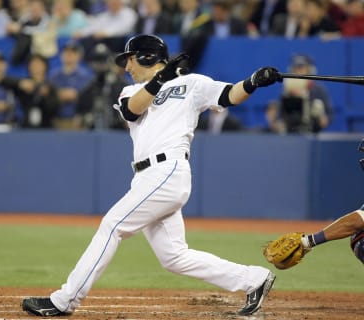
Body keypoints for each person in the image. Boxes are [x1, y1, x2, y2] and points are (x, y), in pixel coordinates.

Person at [21, 34, 283, 317]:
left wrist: (254, 82)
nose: (126, 66)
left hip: (168, 170)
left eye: (129, 59)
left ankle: (64, 301)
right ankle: (253, 279)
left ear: (146, 57)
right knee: (174, 257)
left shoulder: (191, 83)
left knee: (112, 225)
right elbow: (132, 111)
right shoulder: (130, 91)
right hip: (147, 177)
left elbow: (229, 95)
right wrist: (162, 78)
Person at [265, 54, 332, 134]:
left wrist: (323, 118)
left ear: (310, 70)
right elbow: (280, 116)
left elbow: (329, 115)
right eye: (296, 68)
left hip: (312, 133)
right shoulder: (287, 91)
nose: (299, 71)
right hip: (290, 134)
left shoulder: (319, 90)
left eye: (302, 68)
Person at [0, 54, 60, 129]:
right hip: (26, 126)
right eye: (33, 64)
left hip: (46, 127)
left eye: (38, 64)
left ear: (45, 66)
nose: (35, 67)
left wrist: (46, 97)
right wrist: (19, 83)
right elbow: (2, 80)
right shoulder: (24, 84)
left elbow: (55, 109)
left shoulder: (50, 86)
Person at [77, 42, 130, 129]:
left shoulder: (121, 85)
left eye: (103, 61)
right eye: (97, 61)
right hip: (93, 133)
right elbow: (79, 116)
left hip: (118, 132)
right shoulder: (89, 88)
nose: (100, 65)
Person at [48, 40, 94, 130]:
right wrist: (58, 95)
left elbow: (87, 97)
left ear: (79, 56)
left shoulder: (87, 76)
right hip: (57, 120)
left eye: (73, 52)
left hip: (78, 121)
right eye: (66, 52)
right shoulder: (53, 76)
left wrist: (76, 95)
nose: (68, 54)